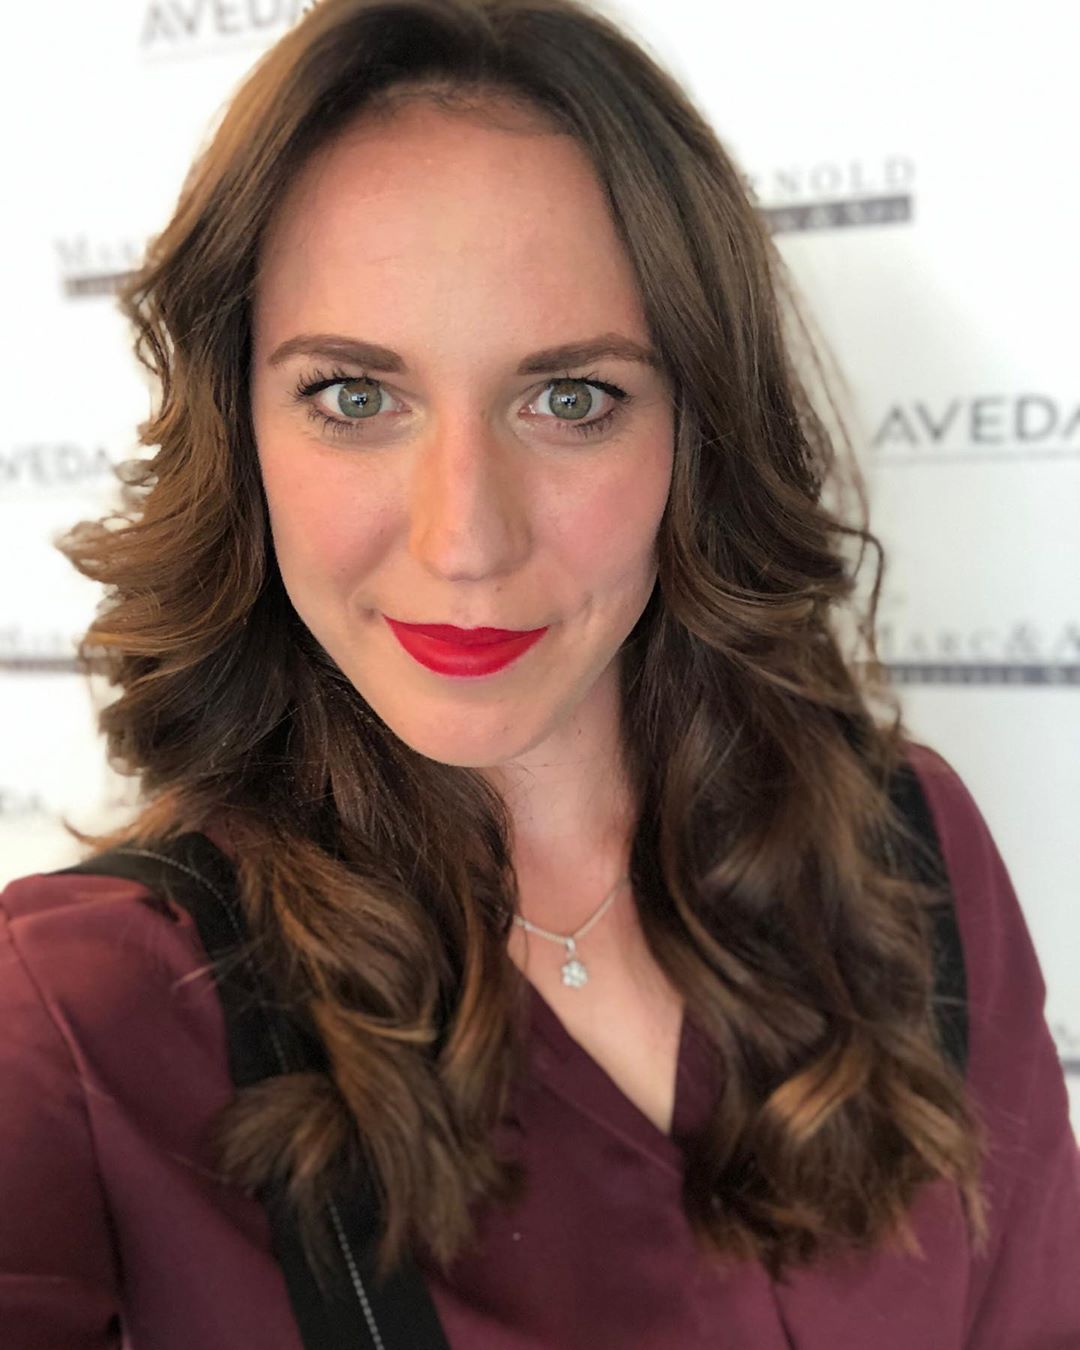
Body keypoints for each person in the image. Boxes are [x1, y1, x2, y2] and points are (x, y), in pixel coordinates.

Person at [1, 0, 1077, 1345]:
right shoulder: (82, 1010)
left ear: (697, 428)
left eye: (570, 399)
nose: (465, 541)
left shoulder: (910, 851)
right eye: (353, 396)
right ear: (241, 429)